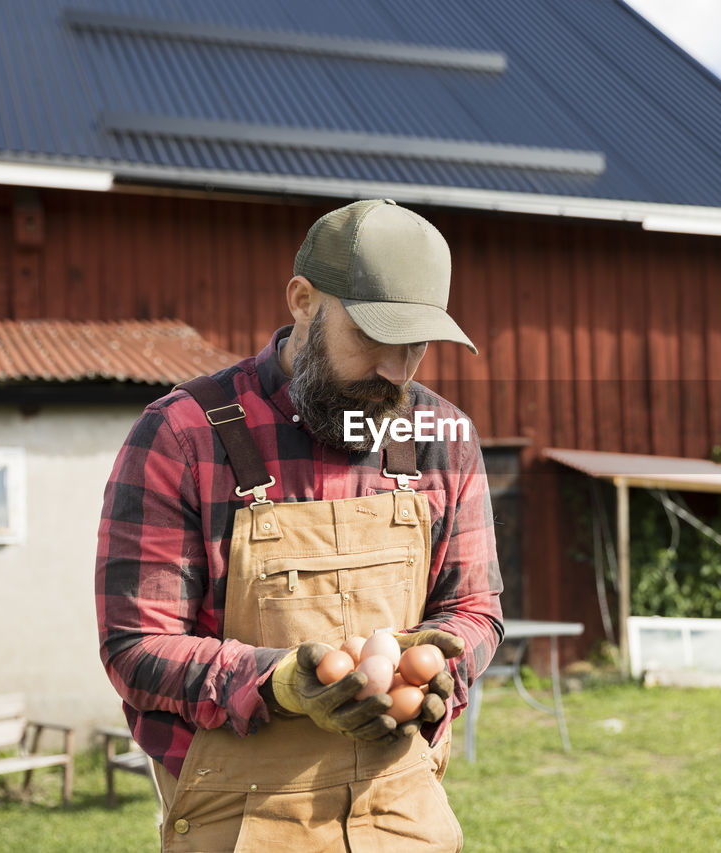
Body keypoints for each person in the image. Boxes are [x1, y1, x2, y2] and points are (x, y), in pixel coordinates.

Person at [95, 199, 503, 852]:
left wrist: (436, 669)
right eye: (374, 336)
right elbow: (135, 648)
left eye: (416, 344)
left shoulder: (441, 436)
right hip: (240, 823)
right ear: (304, 300)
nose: (397, 372)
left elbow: (476, 606)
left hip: (400, 815)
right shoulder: (181, 435)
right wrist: (281, 682)